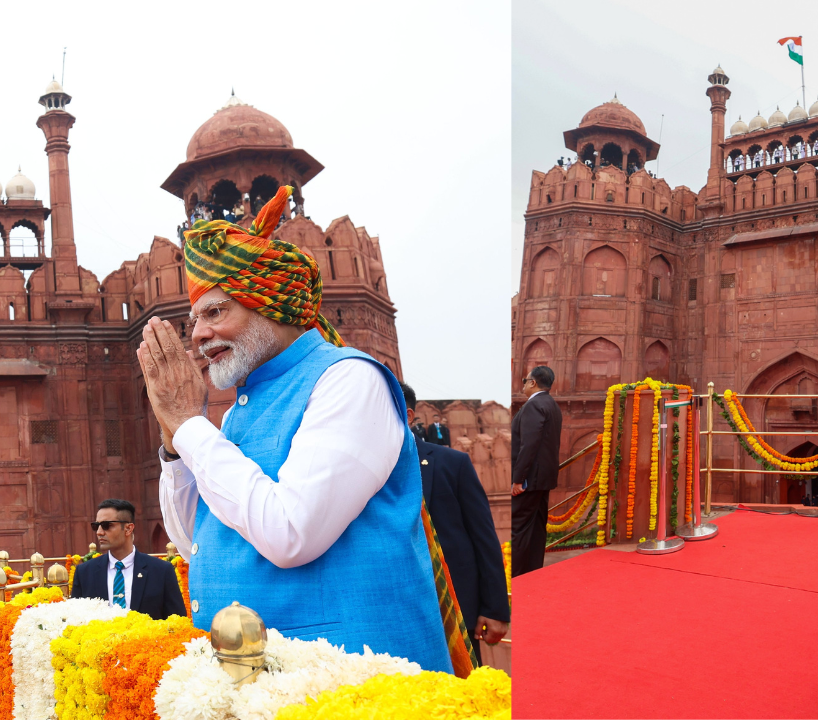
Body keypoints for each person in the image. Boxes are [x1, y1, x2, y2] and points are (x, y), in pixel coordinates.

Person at [143, 185, 452, 672]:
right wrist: (175, 440)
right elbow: (196, 542)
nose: (198, 333)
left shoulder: (348, 380)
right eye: (194, 319)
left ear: (268, 300)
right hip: (266, 684)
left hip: (354, 685)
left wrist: (189, 425)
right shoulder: (243, 410)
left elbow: (291, 533)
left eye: (215, 312)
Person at [401, 382, 510, 664]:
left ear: (408, 415)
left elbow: (483, 537)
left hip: (454, 606)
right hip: (396, 610)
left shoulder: (452, 463)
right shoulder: (362, 472)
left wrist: (495, 608)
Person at [71, 499, 187, 620]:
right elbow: (75, 621)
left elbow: (178, 622)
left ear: (128, 528)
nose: (99, 532)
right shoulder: (85, 572)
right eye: (96, 526)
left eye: (106, 525)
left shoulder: (161, 571)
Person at [509, 365, 562, 577]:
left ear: (533, 382)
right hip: (543, 478)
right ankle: (533, 573)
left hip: (530, 479)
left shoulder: (534, 405)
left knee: (519, 528)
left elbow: (529, 445)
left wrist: (518, 479)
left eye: (525, 380)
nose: (523, 384)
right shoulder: (551, 405)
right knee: (536, 528)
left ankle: (517, 575)